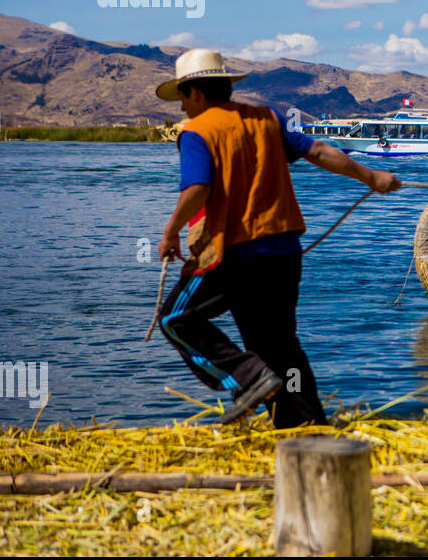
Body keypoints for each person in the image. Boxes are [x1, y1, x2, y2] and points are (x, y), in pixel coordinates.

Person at [154, 48, 400, 427]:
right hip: (284, 253)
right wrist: (372, 177)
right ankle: (304, 428)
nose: (182, 108)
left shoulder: (197, 132)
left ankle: (246, 378)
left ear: (196, 93)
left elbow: (197, 189)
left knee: (174, 318)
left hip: (232, 253)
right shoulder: (265, 119)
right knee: (277, 346)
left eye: (183, 98)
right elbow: (317, 150)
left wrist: (170, 233)